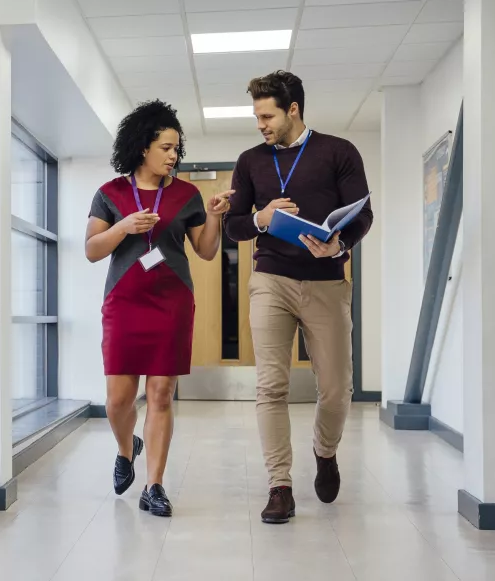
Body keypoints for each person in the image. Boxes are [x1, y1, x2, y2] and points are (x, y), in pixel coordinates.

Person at [223, 71, 373, 524]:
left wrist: (339, 244)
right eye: (256, 116)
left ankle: (325, 452)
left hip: (326, 280)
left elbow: (362, 216)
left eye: (266, 115)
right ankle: (280, 485)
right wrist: (262, 218)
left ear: (293, 110)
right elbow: (234, 225)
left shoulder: (339, 152)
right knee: (270, 385)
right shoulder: (250, 160)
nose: (260, 124)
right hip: (271, 279)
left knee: (335, 389)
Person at [86, 100, 233, 517]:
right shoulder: (110, 194)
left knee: (161, 395)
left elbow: (205, 252)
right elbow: (92, 250)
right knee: (118, 399)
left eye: (176, 148)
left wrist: (215, 217)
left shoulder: (187, 194)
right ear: (143, 147)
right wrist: (122, 227)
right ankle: (125, 447)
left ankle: (154, 485)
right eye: (166, 147)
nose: (174, 155)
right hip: (124, 303)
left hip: (171, 303)